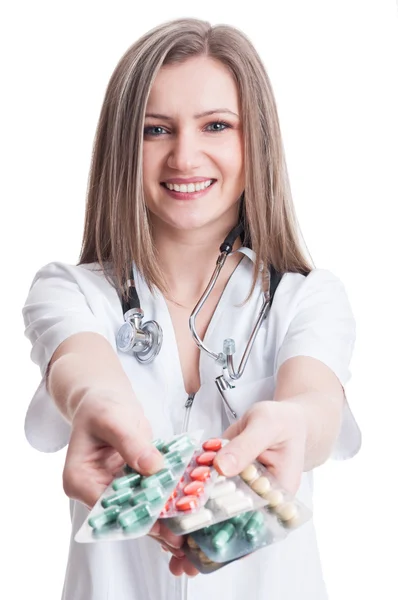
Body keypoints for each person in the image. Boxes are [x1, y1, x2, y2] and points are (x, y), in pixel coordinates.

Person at [22, 17, 361, 600]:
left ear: (253, 142)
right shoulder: (71, 291)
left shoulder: (307, 296)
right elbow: (81, 366)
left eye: (216, 126)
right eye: (156, 129)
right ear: (124, 147)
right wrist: (96, 403)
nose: (185, 155)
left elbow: (317, 403)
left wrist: (295, 428)